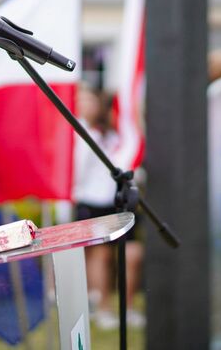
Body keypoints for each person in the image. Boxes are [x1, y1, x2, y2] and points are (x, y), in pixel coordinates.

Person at [72, 85, 145, 330]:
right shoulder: (86, 136)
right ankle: (103, 308)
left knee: (131, 255)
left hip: (120, 201)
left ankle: (128, 307)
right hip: (93, 203)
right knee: (101, 256)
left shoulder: (121, 137)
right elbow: (77, 174)